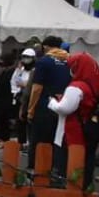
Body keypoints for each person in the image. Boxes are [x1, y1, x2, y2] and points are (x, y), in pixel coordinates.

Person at [47, 53, 99, 191]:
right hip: (87, 131)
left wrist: (52, 102)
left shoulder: (76, 87)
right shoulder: (93, 84)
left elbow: (64, 108)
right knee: (85, 166)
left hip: (71, 132)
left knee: (66, 167)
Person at [27, 36, 71, 179]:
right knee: (56, 140)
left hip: (45, 106)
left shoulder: (43, 62)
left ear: (45, 46)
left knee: (39, 140)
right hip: (64, 105)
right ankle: (54, 170)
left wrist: (31, 109)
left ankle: (36, 170)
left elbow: (37, 88)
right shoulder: (69, 61)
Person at [11, 48, 36, 148]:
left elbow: (30, 84)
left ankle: (30, 143)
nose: (25, 59)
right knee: (20, 122)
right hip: (19, 97)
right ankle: (21, 142)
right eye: (24, 57)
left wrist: (24, 84)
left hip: (30, 99)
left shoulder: (35, 70)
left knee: (29, 122)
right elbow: (14, 81)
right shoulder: (20, 70)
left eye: (28, 57)